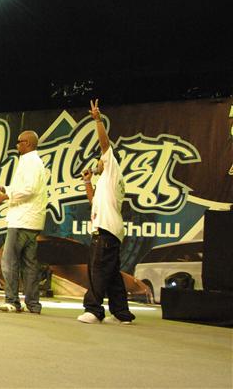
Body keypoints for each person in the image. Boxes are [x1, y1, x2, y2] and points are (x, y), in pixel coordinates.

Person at [77, 100, 136, 325]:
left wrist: (98, 120)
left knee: (98, 270)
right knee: (111, 275)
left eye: (99, 161)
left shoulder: (112, 170)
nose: (97, 163)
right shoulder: (106, 181)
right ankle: (122, 314)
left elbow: (104, 145)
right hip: (110, 229)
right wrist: (87, 182)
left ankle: (93, 310)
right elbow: (94, 202)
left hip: (106, 231)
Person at [0, 129, 48, 314]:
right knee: (29, 264)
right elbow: (24, 187)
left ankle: (12, 301)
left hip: (22, 219)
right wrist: (3, 188)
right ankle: (33, 304)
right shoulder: (33, 161)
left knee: (9, 262)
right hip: (31, 220)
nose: (16, 145)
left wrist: (5, 196)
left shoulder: (31, 161)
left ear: (27, 143)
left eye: (19, 141)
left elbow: (29, 189)